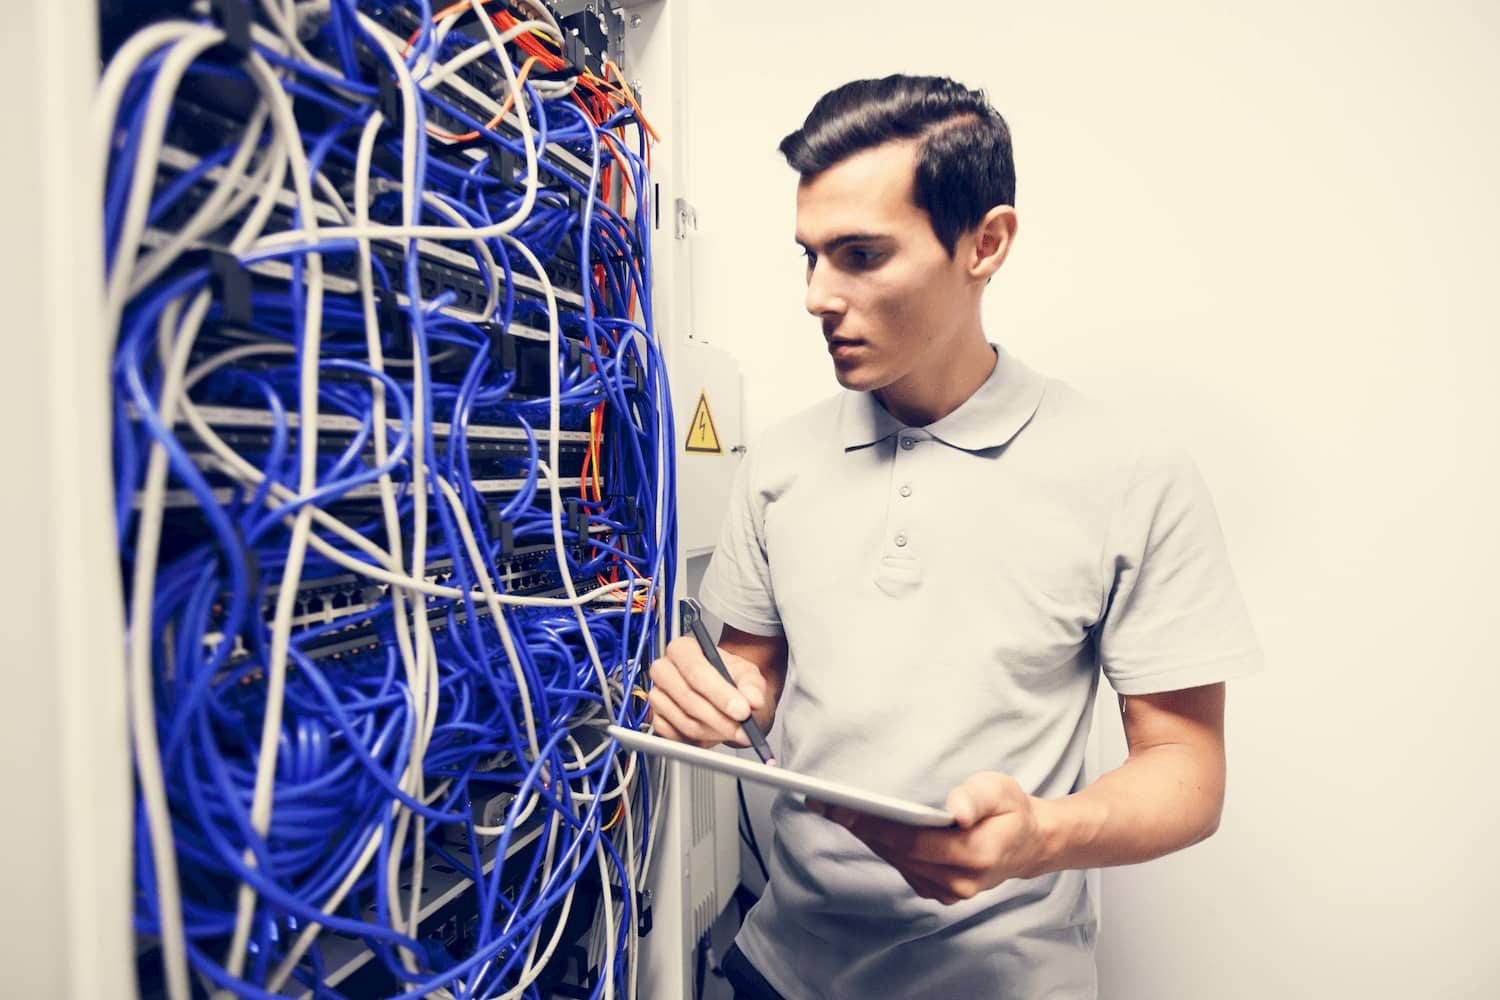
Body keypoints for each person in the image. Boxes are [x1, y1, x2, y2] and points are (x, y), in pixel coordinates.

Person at [647, 74, 1262, 1000]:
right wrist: (715, 696)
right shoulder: (777, 465)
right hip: (779, 966)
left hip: (1003, 981)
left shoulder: (1128, 473)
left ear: (987, 243)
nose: (817, 294)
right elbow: (753, 672)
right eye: (808, 255)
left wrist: (1039, 838)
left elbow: (1186, 769)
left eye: (860, 254)